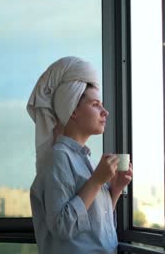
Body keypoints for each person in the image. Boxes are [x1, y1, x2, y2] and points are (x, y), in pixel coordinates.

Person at [27, 56, 133, 254]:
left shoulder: (88, 162)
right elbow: (62, 227)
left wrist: (116, 189)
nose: (105, 112)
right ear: (72, 111)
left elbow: (92, 228)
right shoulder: (57, 158)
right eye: (95, 104)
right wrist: (95, 182)